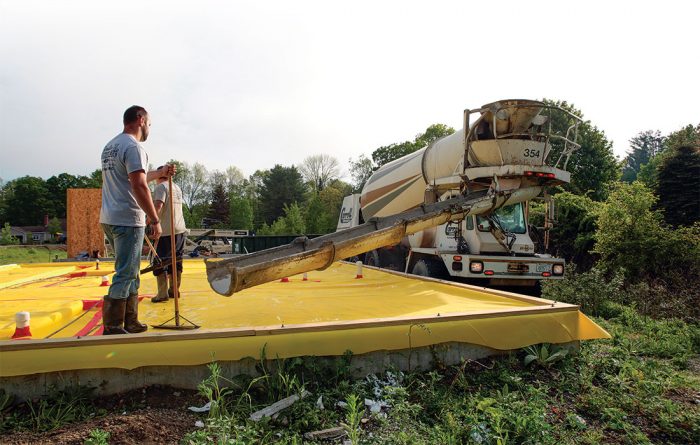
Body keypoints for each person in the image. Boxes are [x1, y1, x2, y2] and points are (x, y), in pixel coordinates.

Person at [99, 105, 174, 335]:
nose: (149, 128)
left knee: (129, 269)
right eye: (149, 123)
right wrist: (154, 218)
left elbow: (134, 177)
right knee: (125, 272)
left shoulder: (111, 146)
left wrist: (158, 173)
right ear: (140, 120)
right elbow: (139, 185)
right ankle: (113, 325)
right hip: (128, 218)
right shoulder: (134, 147)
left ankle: (130, 320)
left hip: (110, 217)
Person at [151, 170, 188, 303]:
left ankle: (162, 294)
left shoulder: (161, 187)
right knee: (176, 260)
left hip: (166, 230)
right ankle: (174, 290)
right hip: (179, 229)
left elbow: (158, 205)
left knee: (160, 261)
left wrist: (150, 220)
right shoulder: (176, 187)